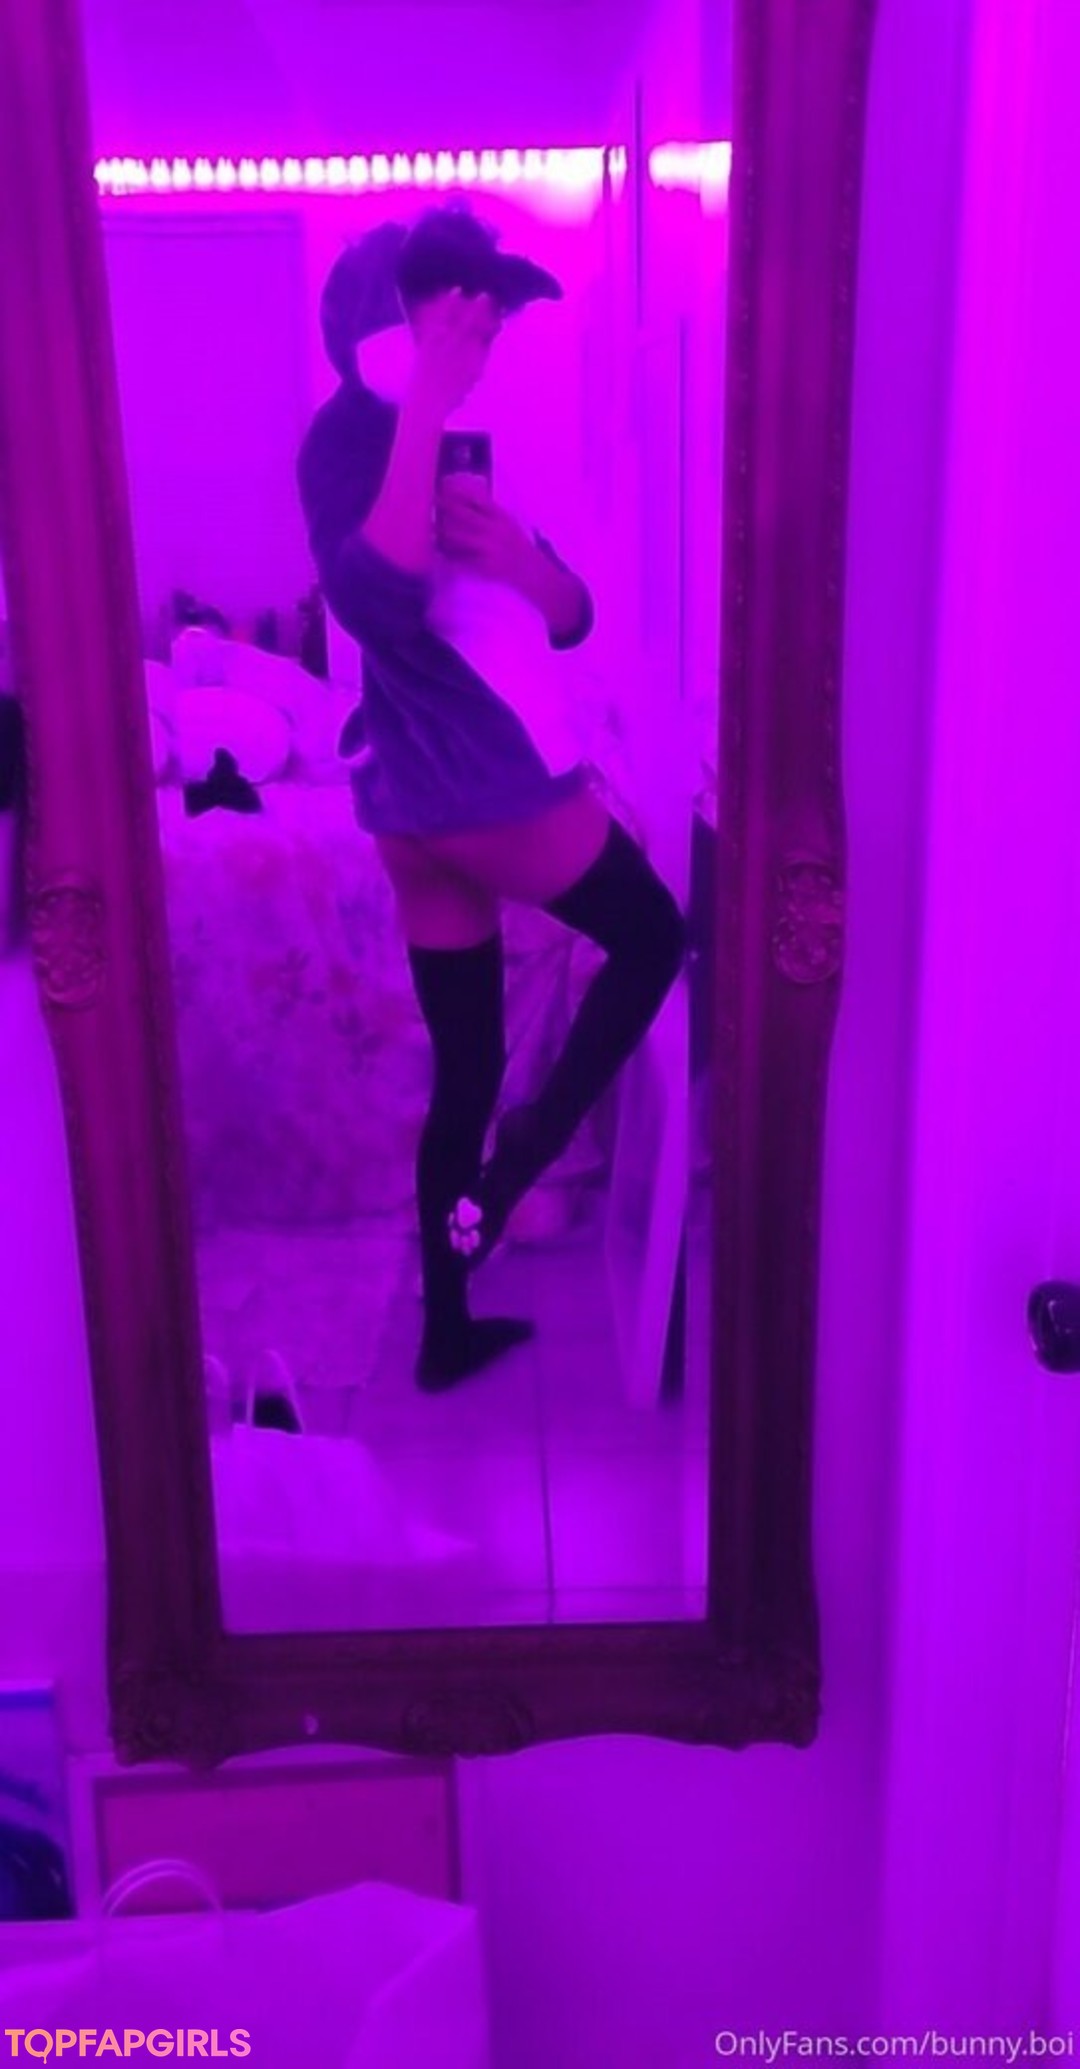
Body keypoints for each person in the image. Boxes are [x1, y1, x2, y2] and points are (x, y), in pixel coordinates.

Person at [297, 205, 685, 1391]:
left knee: (464, 1069)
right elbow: (379, 603)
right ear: (393, 322)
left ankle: (447, 1323)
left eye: (490, 321)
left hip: (420, 813)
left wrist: (521, 557)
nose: (482, 340)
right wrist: (423, 400)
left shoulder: (475, 439)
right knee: (654, 933)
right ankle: (527, 1151)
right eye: (459, 320)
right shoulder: (353, 438)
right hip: (483, 786)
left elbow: (572, 617)